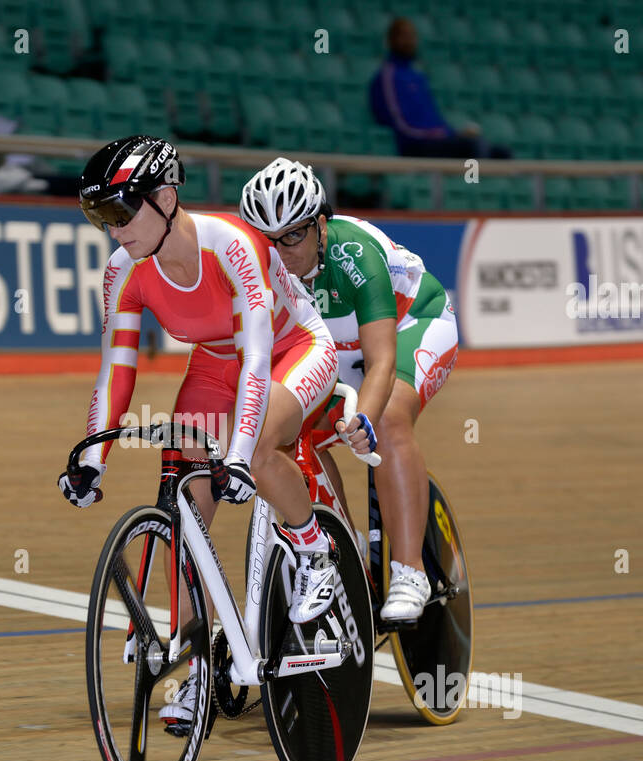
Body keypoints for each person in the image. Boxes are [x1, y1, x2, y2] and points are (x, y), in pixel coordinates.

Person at [60, 136, 342, 724]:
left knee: (261, 451)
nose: (114, 230)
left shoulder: (231, 246)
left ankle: (317, 551)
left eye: (120, 211)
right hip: (216, 363)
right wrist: (93, 461)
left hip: (293, 346)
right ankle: (198, 669)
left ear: (166, 198)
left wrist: (238, 454)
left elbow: (259, 359)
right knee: (189, 512)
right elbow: (117, 370)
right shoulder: (124, 271)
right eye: (99, 217)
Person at [239, 158, 459, 622]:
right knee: (287, 438)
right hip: (337, 351)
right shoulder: (258, 271)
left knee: (388, 418)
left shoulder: (353, 254)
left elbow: (380, 361)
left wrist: (363, 418)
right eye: (268, 240)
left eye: (293, 235)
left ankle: (409, 571)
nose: (281, 252)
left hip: (412, 324)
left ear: (321, 225)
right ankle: (346, 549)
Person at [368, 17, 512, 160]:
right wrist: (433, 134)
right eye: (404, 36)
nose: (410, 41)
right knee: (474, 147)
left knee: (502, 153)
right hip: (415, 144)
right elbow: (398, 122)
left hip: (436, 140)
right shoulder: (387, 76)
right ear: (391, 40)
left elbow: (434, 118)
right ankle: (472, 183)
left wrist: (454, 134)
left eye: (412, 36)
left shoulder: (418, 77)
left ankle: (479, 182)